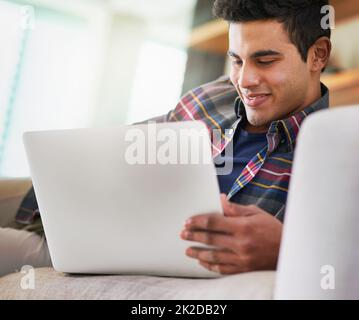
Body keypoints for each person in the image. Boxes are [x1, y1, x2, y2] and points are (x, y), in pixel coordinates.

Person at [0, 0, 331, 276]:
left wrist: (289, 249)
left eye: (266, 60)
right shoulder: (211, 97)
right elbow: (120, 147)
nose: (244, 80)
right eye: (236, 60)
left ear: (318, 55)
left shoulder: (336, 151)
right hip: (101, 239)